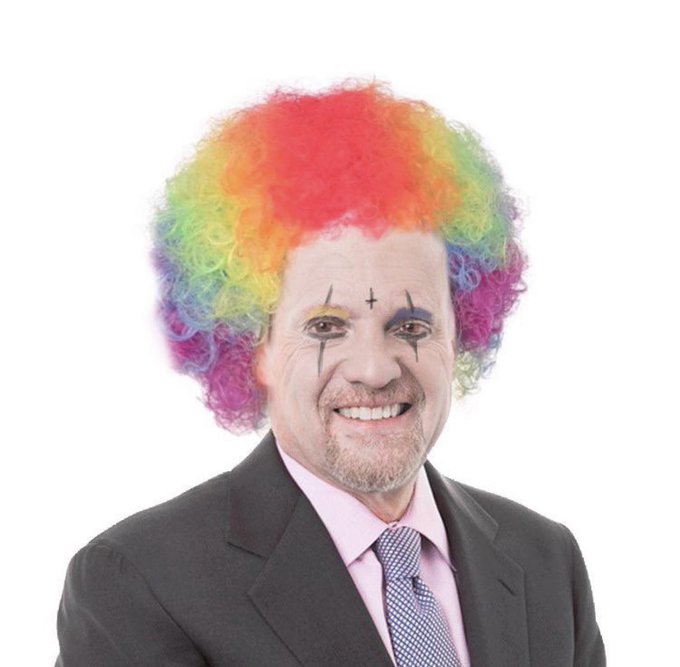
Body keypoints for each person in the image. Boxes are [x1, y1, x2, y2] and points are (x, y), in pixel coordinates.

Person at [55, 82, 606, 666]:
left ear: (460, 334)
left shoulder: (547, 563)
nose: (373, 368)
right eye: (326, 326)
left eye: (411, 325)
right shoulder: (139, 584)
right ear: (254, 346)